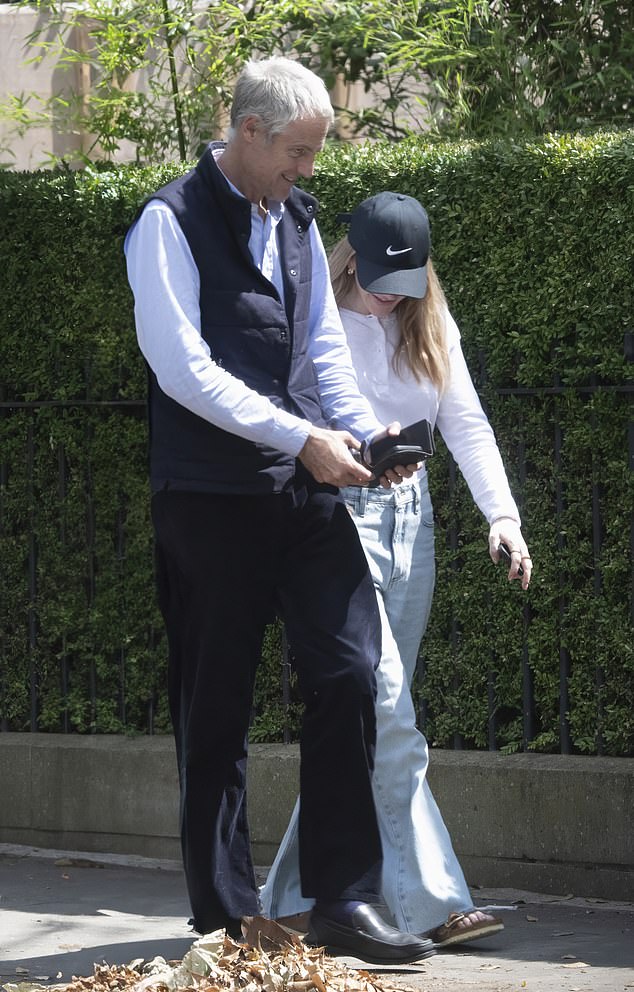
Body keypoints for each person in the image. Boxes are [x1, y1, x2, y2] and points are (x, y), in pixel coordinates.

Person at [124, 60, 436, 965]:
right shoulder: (166, 223)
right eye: (297, 152)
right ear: (249, 132)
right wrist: (299, 438)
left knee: (347, 670)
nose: (307, 170)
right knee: (213, 705)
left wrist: (359, 434)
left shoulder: (294, 222)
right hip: (210, 498)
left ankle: (346, 900)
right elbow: (182, 369)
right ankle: (224, 920)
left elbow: (318, 356)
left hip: (300, 495)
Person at [260, 191, 533, 948]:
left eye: (405, 284)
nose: (390, 296)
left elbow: (466, 422)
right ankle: (438, 905)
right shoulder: (317, 316)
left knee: (366, 726)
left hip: (413, 523)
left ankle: (290, 901)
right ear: (351, 256)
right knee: (388, 711)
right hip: (339, 520)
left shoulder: (428, 321)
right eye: (380, 279)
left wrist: (502, 516)